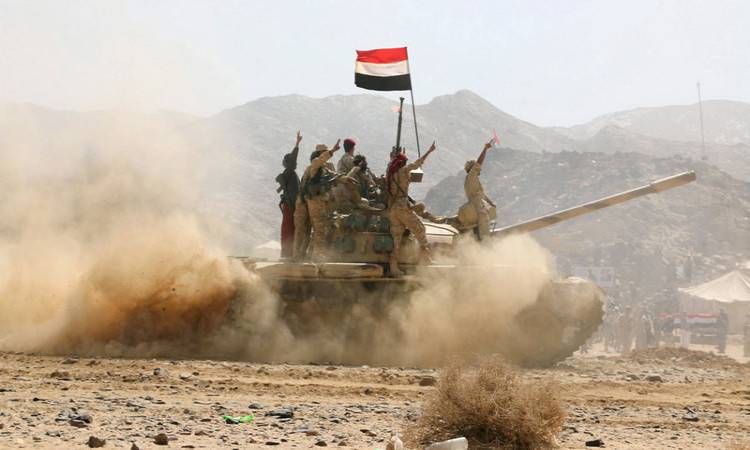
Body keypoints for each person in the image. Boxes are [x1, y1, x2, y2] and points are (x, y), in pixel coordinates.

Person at [386, 141, 438, 276]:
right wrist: (429, 151)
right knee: (420, 228)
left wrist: (397, 157)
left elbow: (392, 164)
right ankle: (424, 258)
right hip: (402, 207)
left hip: (393, 209)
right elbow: (417, 163)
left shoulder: (390, 174)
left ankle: (393, 267)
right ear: (403, 163)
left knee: (397, 239)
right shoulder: (404, 170)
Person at [298, 140, 342, 262]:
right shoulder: (315, 164)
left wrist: (345, 178)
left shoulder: (323, 169)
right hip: (315, 201)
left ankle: (311, 255)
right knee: (320, 229)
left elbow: (334, 176)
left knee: (318, 230)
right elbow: (321, 159)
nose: (325, 156)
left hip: (320, 202)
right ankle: (317, 257)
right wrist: (332, 151)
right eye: (323, 153)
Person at [275, 130, 302, 258]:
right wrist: (297, 145)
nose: (294, 163)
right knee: (287, 231)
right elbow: (292, 161)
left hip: (292, 205)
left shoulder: (290, 173)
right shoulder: (289, 172)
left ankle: (290, 254)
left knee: (292, 230)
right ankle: (286, 255)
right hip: (289, 205)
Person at [464, 141, 496, 240]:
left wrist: (490, 203)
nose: (480, 169)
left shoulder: (473, 180)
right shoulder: (471, 176)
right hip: (478, 209)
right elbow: (479, 163)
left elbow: (481, 194)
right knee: (485, 236)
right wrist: (485, 149)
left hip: (479, 206)